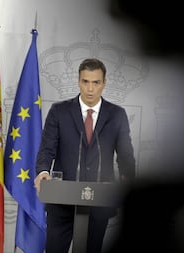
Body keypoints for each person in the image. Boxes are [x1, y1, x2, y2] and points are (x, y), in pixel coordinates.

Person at [34, 58, 136, 253]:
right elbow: (47, 149)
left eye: (96, 82)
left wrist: (126, 181)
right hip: (61, 202)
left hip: (99, 202)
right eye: (85, 82)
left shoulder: (117, 115)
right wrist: (43, 172)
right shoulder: (59, 111)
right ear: (78, 81)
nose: (90, 89)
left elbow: (126, 156)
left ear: (104, 83)